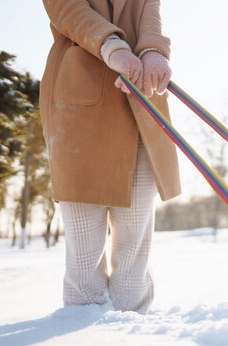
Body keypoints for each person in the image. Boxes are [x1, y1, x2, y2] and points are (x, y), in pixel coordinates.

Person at [40, 0, 180, 313]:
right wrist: (111, 45)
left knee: (135, 234)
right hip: (79, 101)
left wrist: (154, 50)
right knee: (84, 245)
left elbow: (149, 12)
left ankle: (134, 321)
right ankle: (80, 327)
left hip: (140, 95)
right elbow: (66, 9)